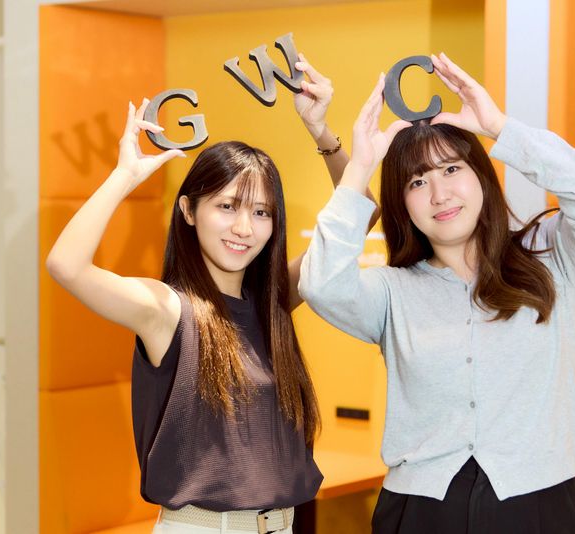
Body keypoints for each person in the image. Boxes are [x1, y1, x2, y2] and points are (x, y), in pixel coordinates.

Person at [299, 52, 575, 533]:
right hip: (421, 509)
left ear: (480, 175)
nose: (439, 194)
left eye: (451, 169)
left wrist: (499, 127)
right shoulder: (391, 292)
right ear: (403, 204)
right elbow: (319, 283)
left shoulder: (553, 259)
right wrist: (360, 166)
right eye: (417, 181)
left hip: (540, 503)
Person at [46, 56, 355, 534]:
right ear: (188, 211)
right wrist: (125, 176)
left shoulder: (273, 300)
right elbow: (66, 265)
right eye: (227, 206)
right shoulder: (168, 309)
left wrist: (321, 131)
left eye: (261, 213)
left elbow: (360, 214)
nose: (243, 228)